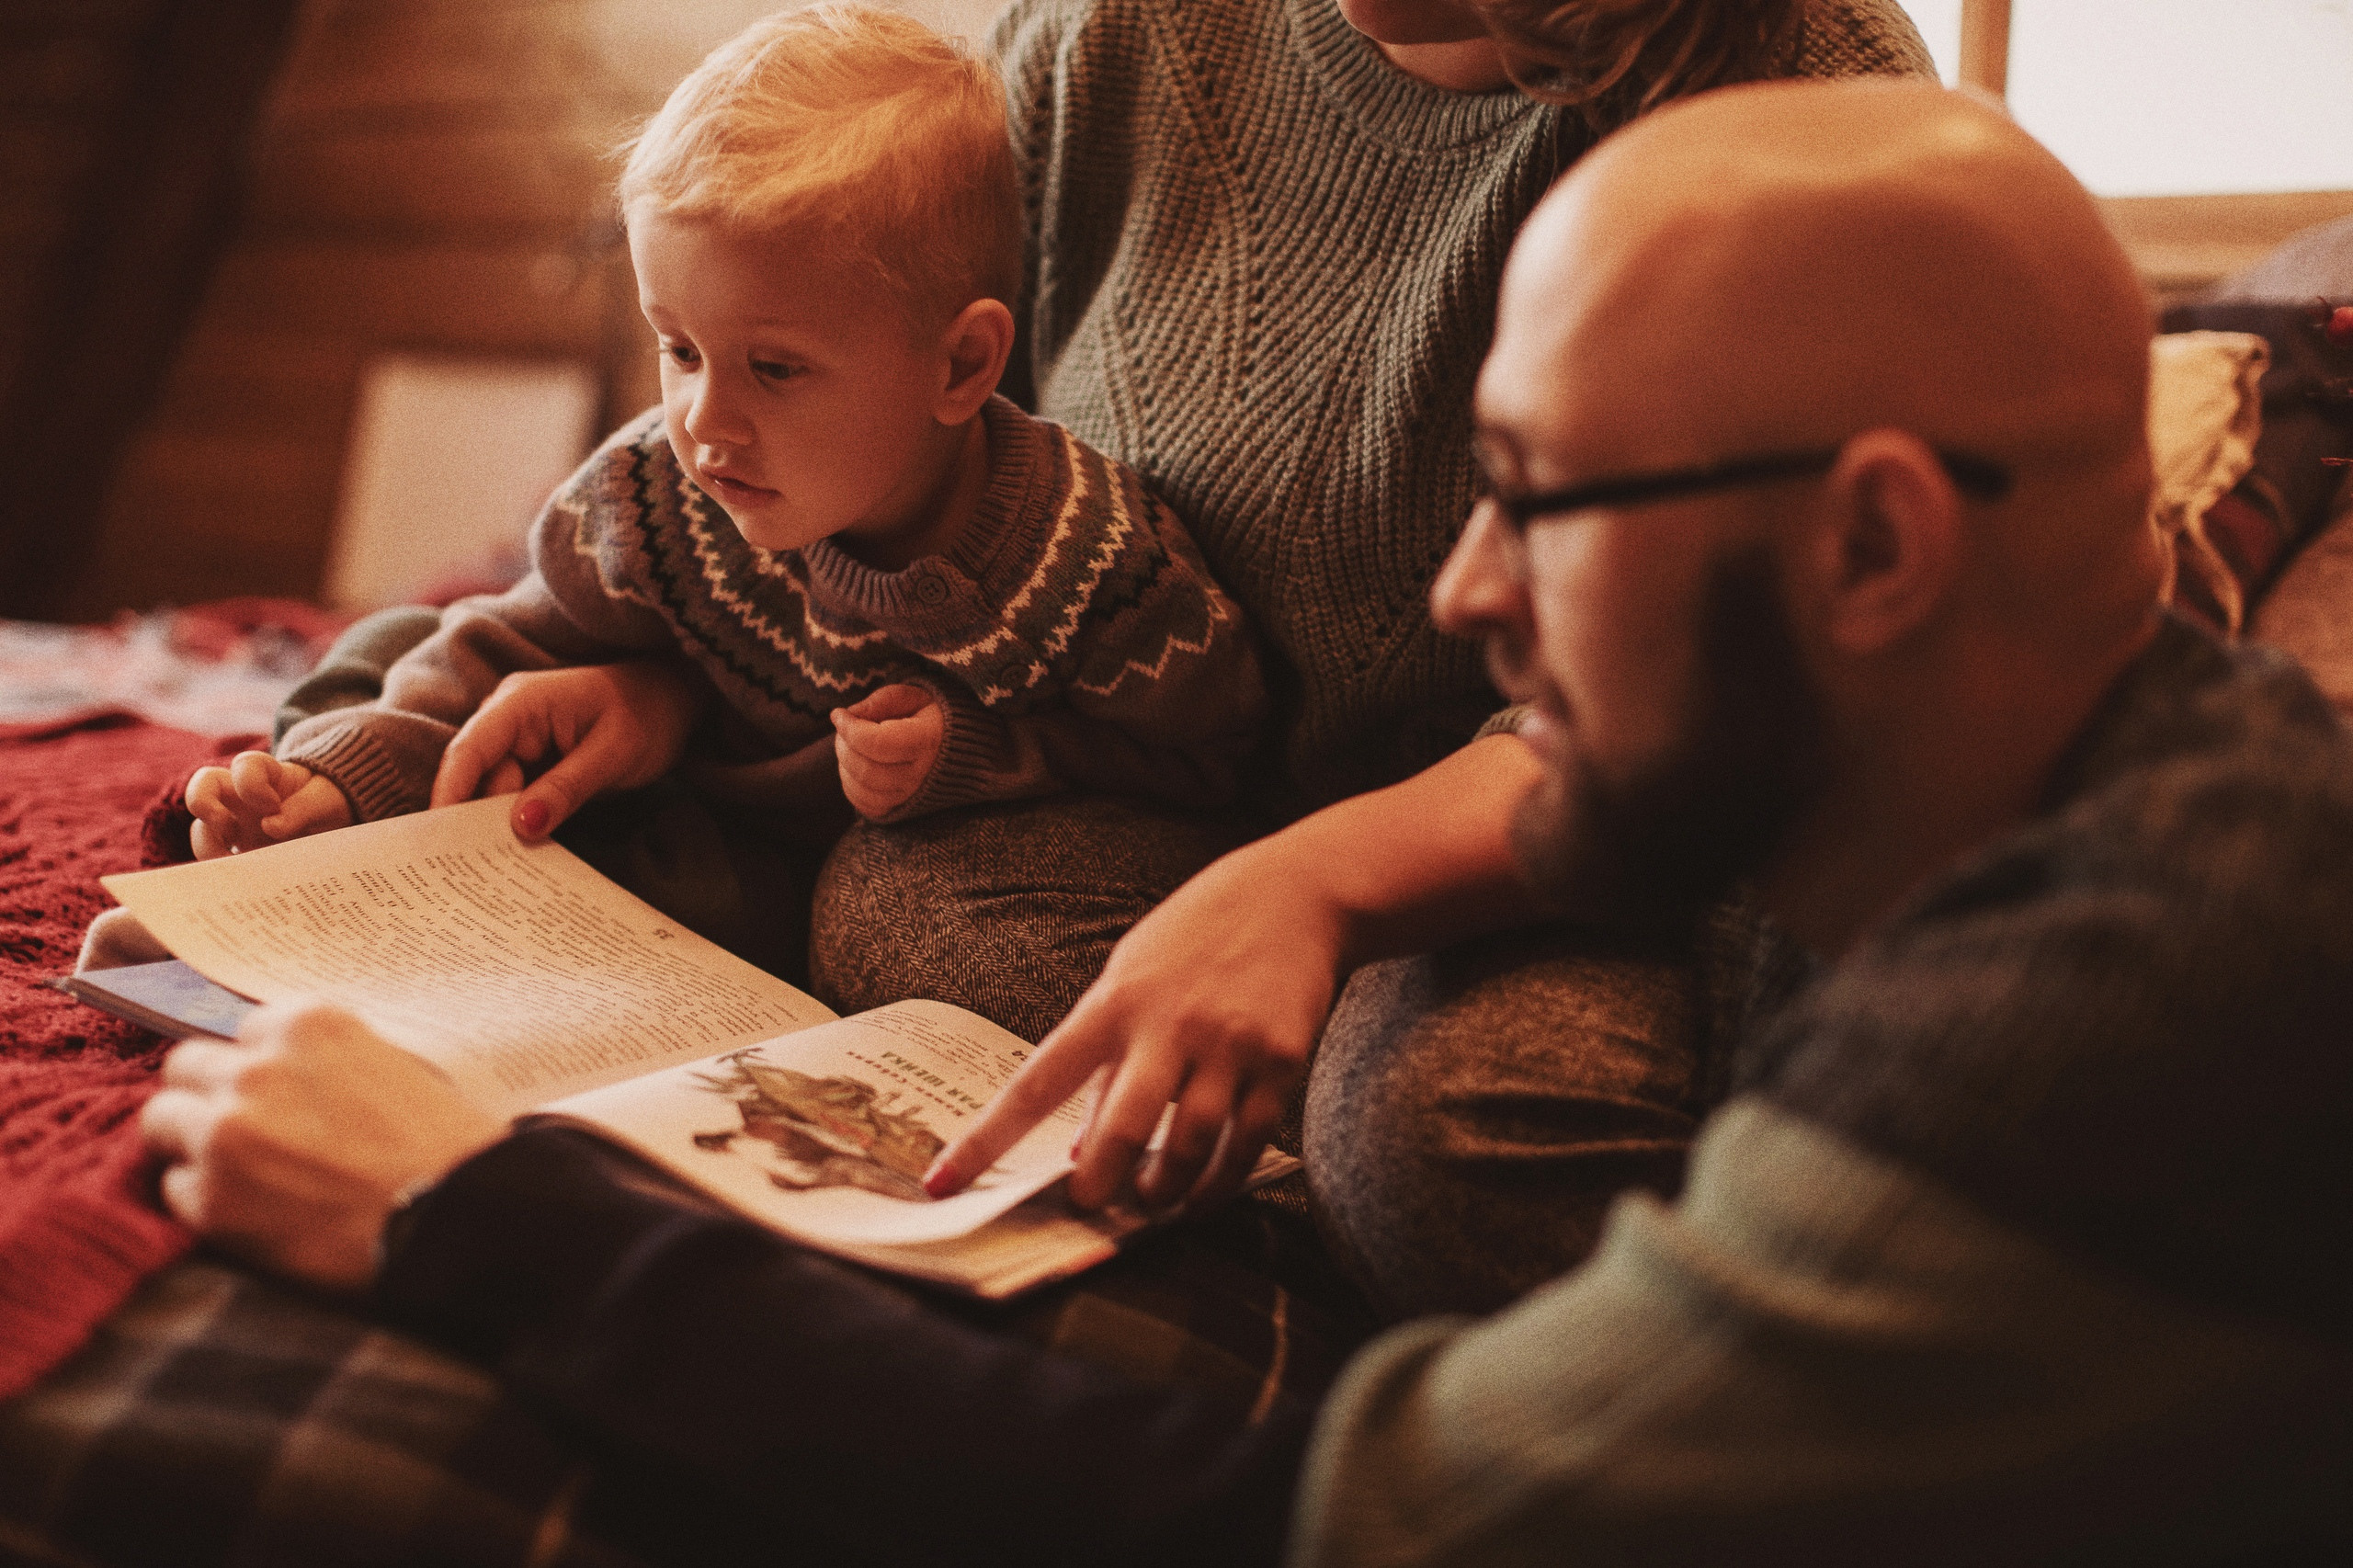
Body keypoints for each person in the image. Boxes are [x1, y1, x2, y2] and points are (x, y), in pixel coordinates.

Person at [139, 80, 2353, 1564]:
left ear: (1874, 548)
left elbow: (1293, 1520)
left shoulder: (2097, 1025)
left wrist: (478, 1218)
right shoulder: (2049, 782)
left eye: (1535, 505)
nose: (1465, 598)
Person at [255, 0, 1937, 1319]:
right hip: (1113, 785)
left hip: (1544, 845)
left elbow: (1720, 709)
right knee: (726, 817)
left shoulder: (1793, 112)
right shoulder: (1107, 46)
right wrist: (666, 683)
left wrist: (1318, 890)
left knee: (1442, 1135)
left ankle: (1286, 1107)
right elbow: (865, 494)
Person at [176, 5, 1265, 972]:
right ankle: (314, 797)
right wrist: (348, 774)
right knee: (393, 649)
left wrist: (975, 757)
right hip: (690, 770)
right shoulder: (661, 490)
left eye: (773, 367)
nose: (702, 418)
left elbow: (1209, 761)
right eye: (679, 348)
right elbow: (508, 648)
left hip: (802, 865)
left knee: (709, 893)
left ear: (961, 368)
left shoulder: (1085, 555)